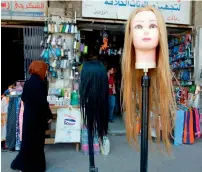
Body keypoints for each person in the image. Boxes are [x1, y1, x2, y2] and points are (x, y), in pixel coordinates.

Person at [11, 61, 53, 172]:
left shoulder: (28, 83)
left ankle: (24, 165)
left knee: (27, 141)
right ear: (41, 69)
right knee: (37, 143)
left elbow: (23, 98)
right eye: (45, 69)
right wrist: (49, 115)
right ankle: (36, 167)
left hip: (28, 116)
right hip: (38, 118)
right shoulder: (41, 84)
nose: (45, 72)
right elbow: (43, 103)